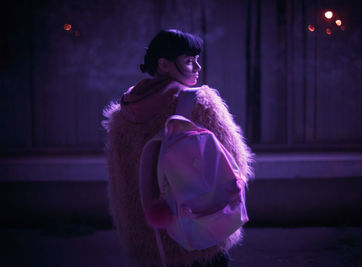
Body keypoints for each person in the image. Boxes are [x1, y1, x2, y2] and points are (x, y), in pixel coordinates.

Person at [102, 29, 254, 267]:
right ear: (164, 64)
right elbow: (235, 163)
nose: (198, 67)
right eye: (189, 61)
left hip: (146, 234)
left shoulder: (124, 113)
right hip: (198, 225)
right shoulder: (199, 102)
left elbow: (118, 178)